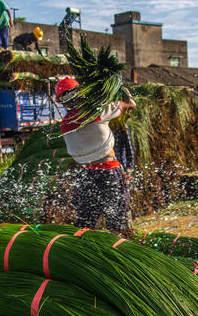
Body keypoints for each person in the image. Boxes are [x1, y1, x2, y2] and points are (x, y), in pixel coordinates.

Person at [56, 77, 137, 236]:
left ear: (63, 102)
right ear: (80, 93)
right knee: (116, 224)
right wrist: (122, 91)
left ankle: (85, 254)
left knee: (85, 224)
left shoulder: (64, 124)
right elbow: (131, 105)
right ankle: (118, 253)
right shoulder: (97, 112)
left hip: (84, 175)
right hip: (108, 172)